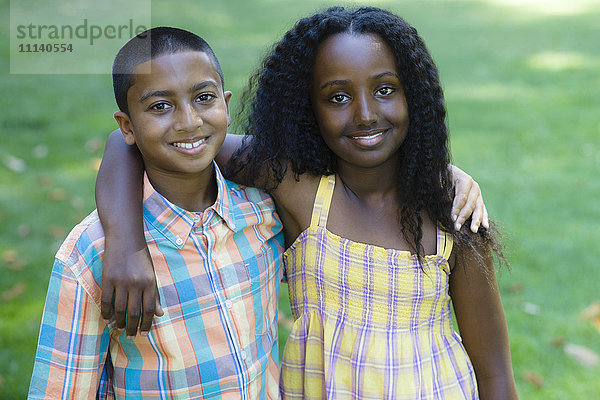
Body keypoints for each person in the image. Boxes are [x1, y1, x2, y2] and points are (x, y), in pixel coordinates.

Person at [94, 7, 502, 400]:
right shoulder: (297, 188)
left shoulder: (453, 213)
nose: (364, 114)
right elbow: (127, 144)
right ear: (307, 108)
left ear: (413, 94)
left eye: (384, 90)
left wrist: (445, 172)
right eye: (337, 97)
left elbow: (494, 371)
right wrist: (127, 244)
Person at [28, 27, 284, 399]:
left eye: (204, 98)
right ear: (127, 127)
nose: (188, 121)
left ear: (226, 106)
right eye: (160, 106)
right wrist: (128, 244)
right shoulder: (92, 254)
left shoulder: (264, 210)